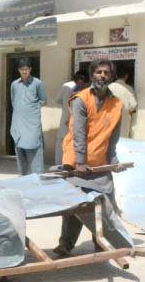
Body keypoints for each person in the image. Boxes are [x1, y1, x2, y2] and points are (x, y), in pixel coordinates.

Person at [54, 59, 126, 257]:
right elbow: (78, 132)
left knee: (105, 204)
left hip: (99, 163)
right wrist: (79, 162)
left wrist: (114, 161)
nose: (102, 75)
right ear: (92, 75)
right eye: (98, 72)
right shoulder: (80, 99)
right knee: (77, 206)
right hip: (77, 162)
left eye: (106, 73)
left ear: (111, 77)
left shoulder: (117, 104)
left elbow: (113, 138)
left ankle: (101, 243)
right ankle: (65, 245)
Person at [10, 58, 47, 175]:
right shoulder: (14, 84)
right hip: (18, 123)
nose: (24, 72)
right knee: (19, 149)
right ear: (18, 70)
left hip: (32, 123)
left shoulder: (37, 83)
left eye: (26, 69)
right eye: (22, 69)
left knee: (35, 148)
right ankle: (23, 176)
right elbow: (13, 101)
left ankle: (38, 177)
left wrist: (31, 109)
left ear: (30, 69)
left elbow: (43, 100)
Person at [54, 70, 90, 165]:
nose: (79, 84)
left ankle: (65, 165)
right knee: (66, 145)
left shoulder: (85, 90)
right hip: (70, 122)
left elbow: (58, 100)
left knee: (69, 146)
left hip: (73, 122)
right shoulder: (84, 89)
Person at [108, 69, 137, 138]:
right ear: (126, 76)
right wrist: (130, 112)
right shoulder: (129, 88)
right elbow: (133, 105)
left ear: (115, 75)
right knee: (122, 138)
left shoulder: (109, 87)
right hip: (124, 116)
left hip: (109, 116)